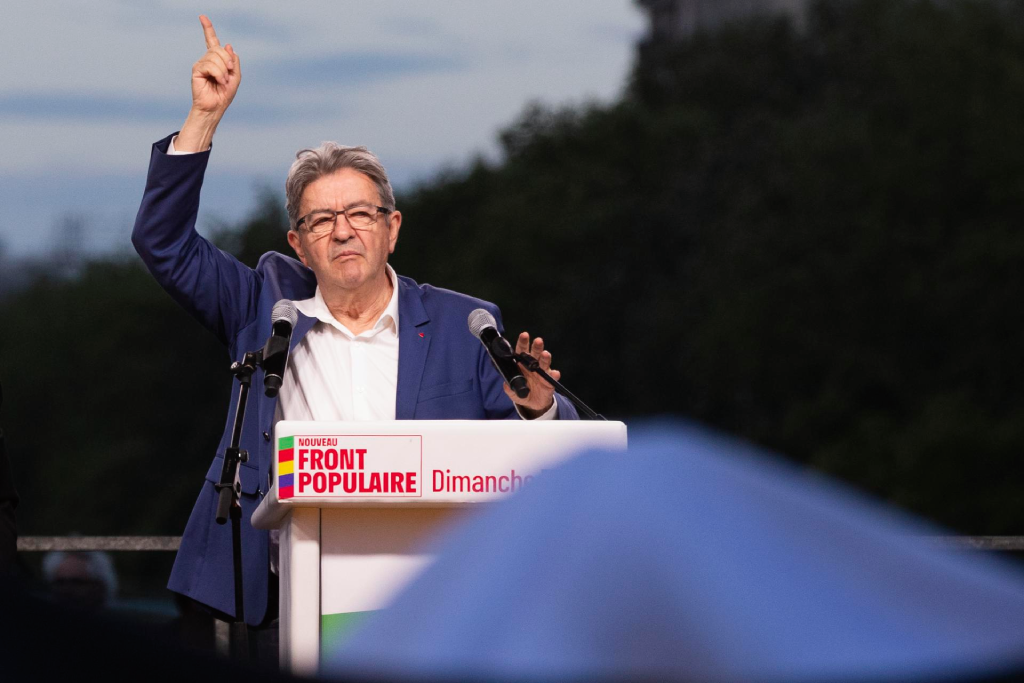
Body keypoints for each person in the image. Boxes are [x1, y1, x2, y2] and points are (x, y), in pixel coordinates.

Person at [132, 16, 579, 627]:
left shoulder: (465, 324)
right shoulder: (263, 311)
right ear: (298, 244)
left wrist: (539, 409)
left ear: (392, 230)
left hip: (429, 606)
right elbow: (162, 243)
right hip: (285, 605)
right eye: (321, 221)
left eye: (361, 214)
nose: (342, 230)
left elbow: (547, 462)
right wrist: (204, 118)